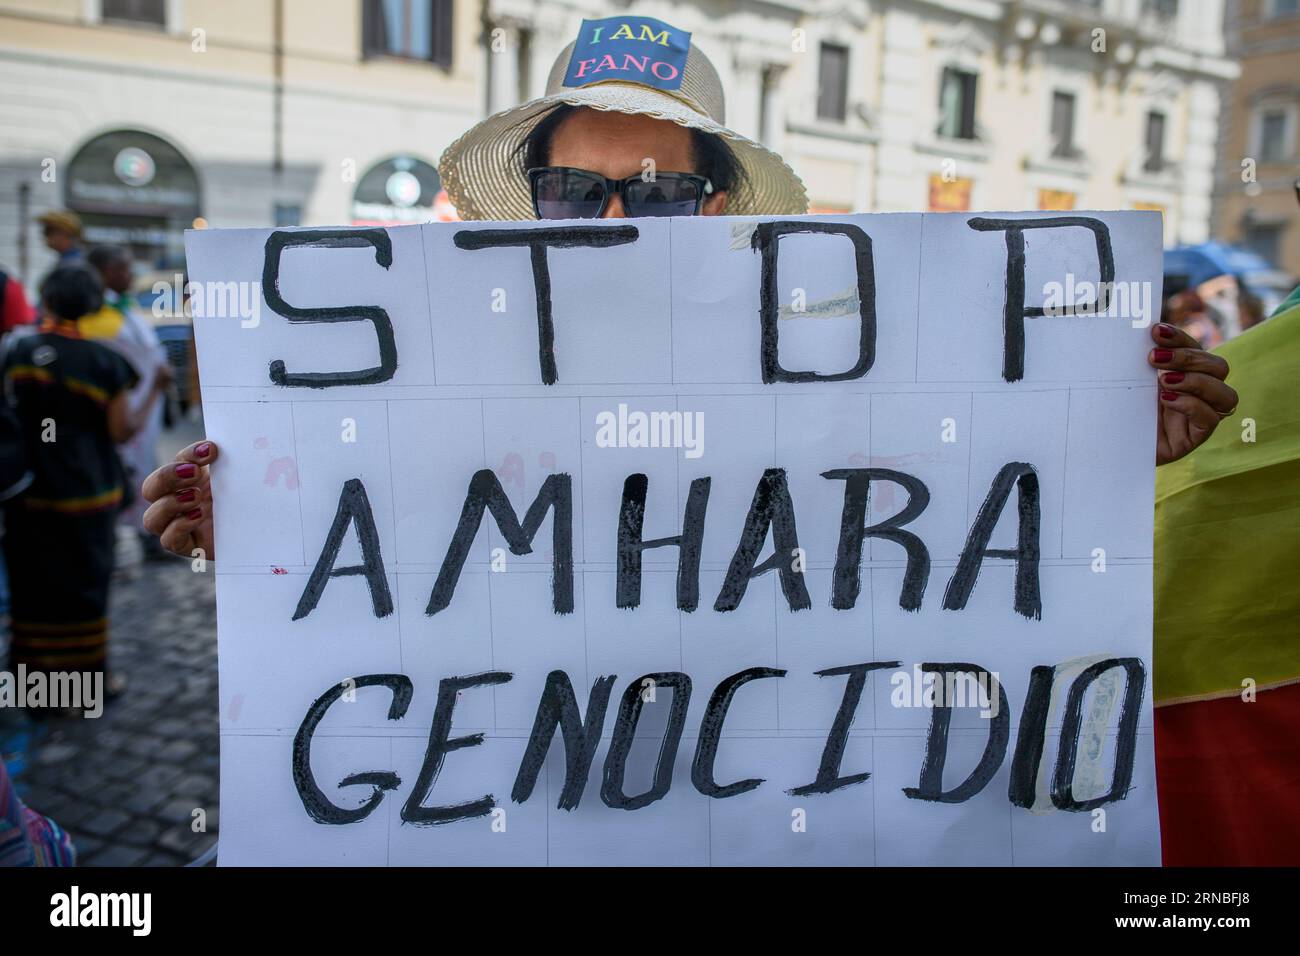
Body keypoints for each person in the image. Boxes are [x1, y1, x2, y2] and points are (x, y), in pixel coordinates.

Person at [140, 18, 1237, 559]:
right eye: (576, 188)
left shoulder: (830, 364)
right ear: (528, 198)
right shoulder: (425, 363)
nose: (616, 221)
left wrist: (1097, 440)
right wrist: (250, 522)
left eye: (657, 191)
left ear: (715, 206)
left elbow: (942, 518)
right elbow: (376, 549)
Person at [2, 266, 168, 700]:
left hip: (28, 493)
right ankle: (84, 687)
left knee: (32, 587)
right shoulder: (104, 362)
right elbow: (121, 431)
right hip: (88, 494)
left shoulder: (17, 353)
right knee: (85, 588)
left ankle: (30, 687)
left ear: (48, 300)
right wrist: (154, 390)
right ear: (94, 304)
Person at [84, 245, 171, 556]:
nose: (130, 274)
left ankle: (144, 533)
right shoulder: (96, 314)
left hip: (146, 405)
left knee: (143, 467)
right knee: (128, 471)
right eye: (123, 267)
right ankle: (130, 537)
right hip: (125, 408)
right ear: (105, 271)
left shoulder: (124, 306)